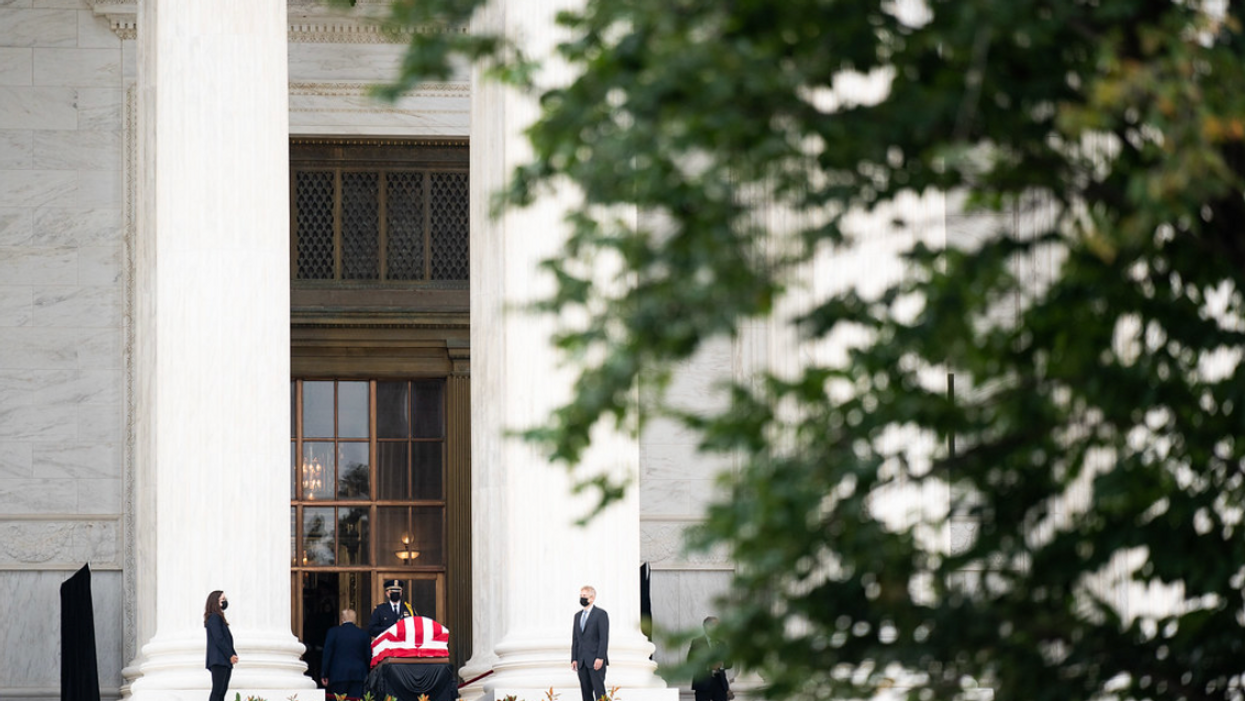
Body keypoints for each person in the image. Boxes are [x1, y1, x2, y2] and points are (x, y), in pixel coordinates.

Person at [321, 608, 371, 699]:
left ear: (342, 619)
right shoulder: (363, 634)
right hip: (358, 675)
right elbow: (368, 656)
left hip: (338, 675)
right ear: (355, 619)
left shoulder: (333, 632)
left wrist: (324, 674)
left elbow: (327, 654)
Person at [571, 585, 609, 701]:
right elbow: (576, 639)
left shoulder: (600, 614)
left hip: (595, 661)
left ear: (592, 598)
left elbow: (604, 638)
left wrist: (600, 657)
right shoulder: (577, 616)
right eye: (581, 595)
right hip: (582, 662)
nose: (582, 598)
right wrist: (574, 658)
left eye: (584, 596)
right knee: (586, 693)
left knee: (599, 692)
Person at [204, 590, 238, 701]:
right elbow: (219, 639)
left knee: (221, 693)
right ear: (215, 602)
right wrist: (230, 655)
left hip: (224, 660)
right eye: (222, 600)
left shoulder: (218, 618)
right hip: (219, 660)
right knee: (217, 692)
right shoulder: (214, 617)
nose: (225, 602)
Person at [689, 616, 732, 701]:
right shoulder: (697, 642)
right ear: (706, 627)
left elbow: (730, 663)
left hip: (720, 683)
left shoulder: (722, 643)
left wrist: (721, 664)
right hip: (703, 684)